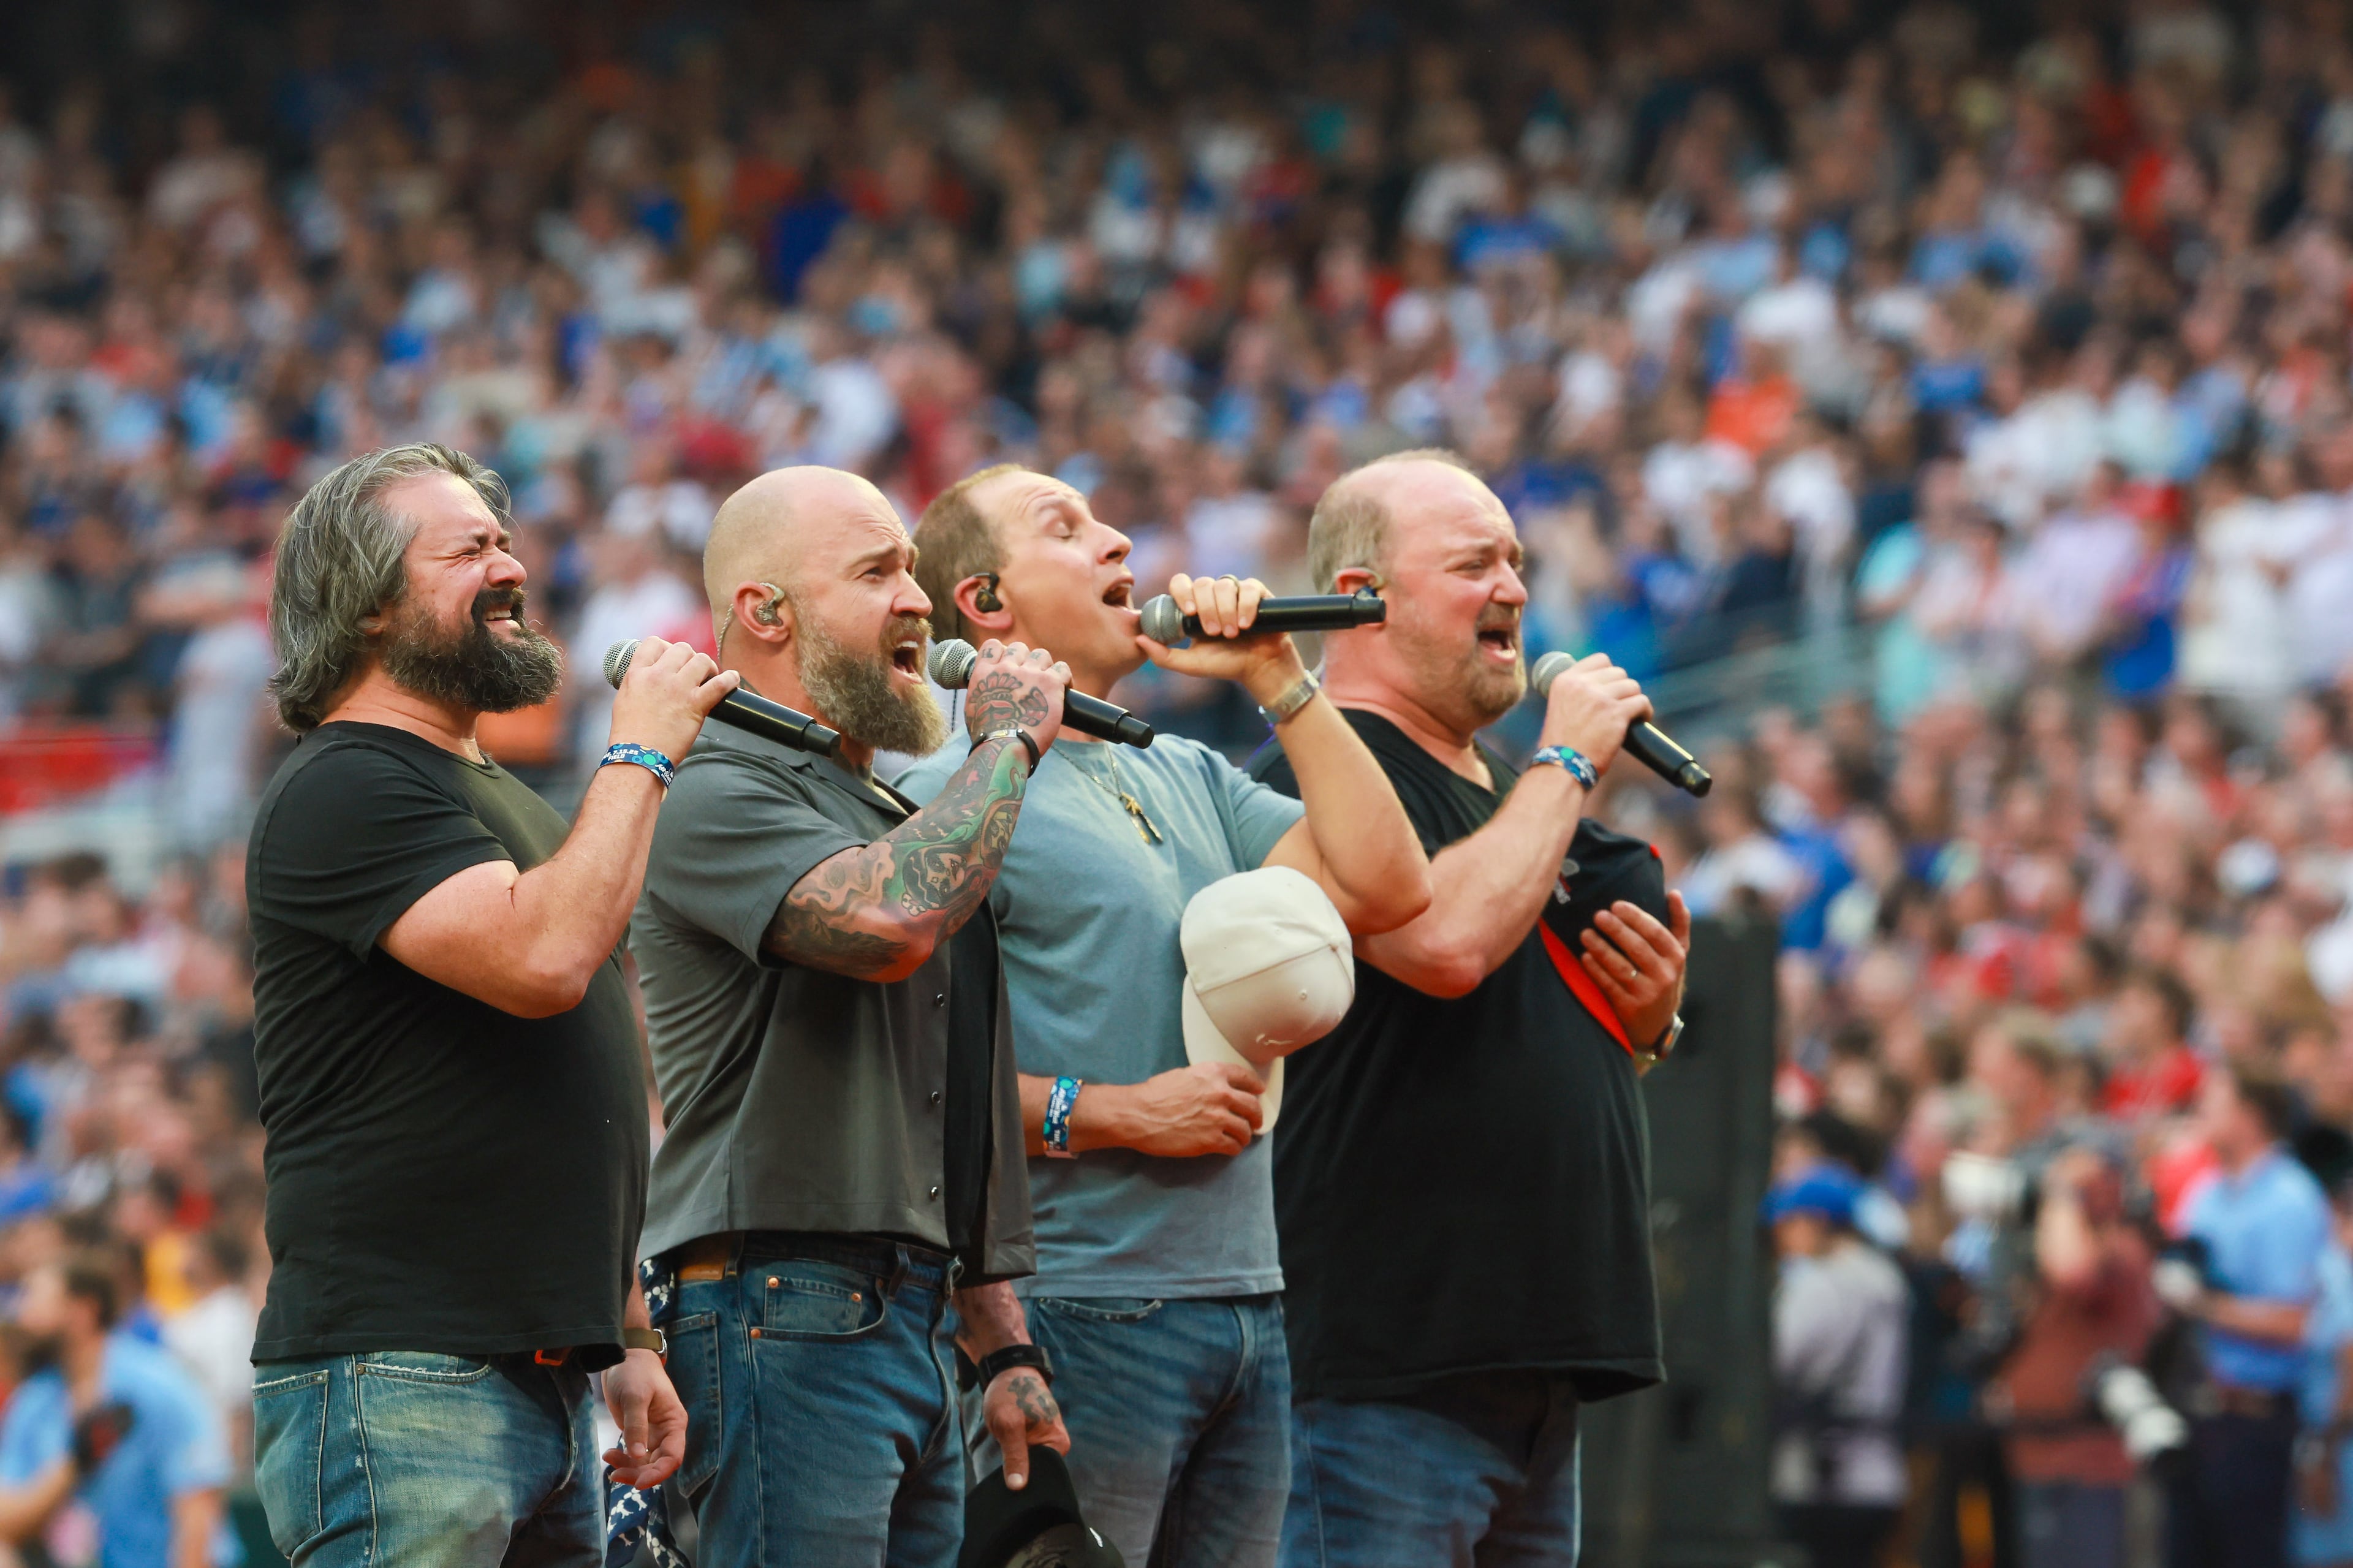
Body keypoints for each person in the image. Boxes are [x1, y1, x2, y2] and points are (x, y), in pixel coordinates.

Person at [897, 463, 1431, 1568]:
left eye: (1107, 519)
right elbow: (902, 1076)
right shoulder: (944, 797)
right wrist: (1114, 1110)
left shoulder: (1184, 767)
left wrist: (1282, 679)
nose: (1118, 541)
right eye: (1068, 527)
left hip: (1248, 1296)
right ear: (986, 605)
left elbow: (1389, 888)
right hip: (1080, 1301)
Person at [244, 443, 732, 1566]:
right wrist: (643, 745)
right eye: (470, 548)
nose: (513, 564)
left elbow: (569, 1082)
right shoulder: (347, 780)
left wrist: (622, 1329)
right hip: (403, 1375)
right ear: (369, 605)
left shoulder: (489, 791)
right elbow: (547, 958)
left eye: (507, 539)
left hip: (534, 1377)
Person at [1243, 450, 1689, 1568]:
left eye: (1518, 561)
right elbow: (1444, 945)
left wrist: (1652, 1025)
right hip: (1383, 1369)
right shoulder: (1319, 772)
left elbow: (1517, 1024)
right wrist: (1571, 755)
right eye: (1474, 562)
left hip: (1530, 1372)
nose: (1515, 588)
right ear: (1360, 597)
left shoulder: (1523, 801)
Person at [628, 466, 1072, 1568]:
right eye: (877, 572)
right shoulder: (712, 780)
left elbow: (945, 1092)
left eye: (912, 572)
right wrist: (1006, 741)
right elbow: (888, 921)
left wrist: (999, 1337)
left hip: (904, 1313)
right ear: (764, 612)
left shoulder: (871, 802)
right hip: (783, 1305)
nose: (917, 599)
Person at [2165, 1064, 2334, 1568]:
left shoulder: (2289, 1198)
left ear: (2249, 1116)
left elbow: (2297, 1322)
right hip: (2200, 1408)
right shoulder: (2207, 1192)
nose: (2200, 1114)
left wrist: (2206, 1305)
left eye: (2213, 1103)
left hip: (2260, 1418)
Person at [0, 1253, 228, 1568]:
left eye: (36, 1299)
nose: (21, 1313)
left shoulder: (158, 1385)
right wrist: (73, 1465)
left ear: (82, 1311)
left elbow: (198, 1512)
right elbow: (5, 1522)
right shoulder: (35, 1398)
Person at [1766, 1167, 1910, 1568]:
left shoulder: (1823, 1282)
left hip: (1822, 1478)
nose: (1781, 1235)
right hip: (1879, 1474)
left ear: (1818, 1221)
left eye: (1789, 1222)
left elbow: (1777, 1358)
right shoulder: (1888, 1278)